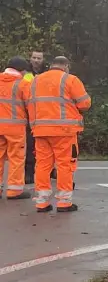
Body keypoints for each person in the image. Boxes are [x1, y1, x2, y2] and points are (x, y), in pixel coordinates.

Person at [29, 56, 90, 213]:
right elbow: (85, 103)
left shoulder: (36, 80)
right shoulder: (70, 79)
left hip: (40, 130)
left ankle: (41, 202)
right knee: (65, 165)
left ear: (51, 66)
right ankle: (64, 202)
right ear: (66, 66)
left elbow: (30, 103)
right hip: (64, 131)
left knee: (42, 164)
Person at [0, 57, 32, 199]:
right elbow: (30, 105)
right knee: (16, 158)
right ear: (21, 70)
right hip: (15, 127)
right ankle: (14, 190)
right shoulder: (22, 84)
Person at [23, 50, 46, 186]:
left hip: (45, 114)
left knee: (47, 146)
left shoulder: (47, 73)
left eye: (39, 58)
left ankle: (50, 171)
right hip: (29, 115)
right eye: (34, 57)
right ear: (30, 59)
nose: (36, 60)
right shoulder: (25, 74)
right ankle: (28, 173)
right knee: (30, 146)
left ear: (43, 60)